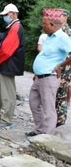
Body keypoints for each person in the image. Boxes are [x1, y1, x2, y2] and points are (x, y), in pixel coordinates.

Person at [27, 8, 71, 137]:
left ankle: (46, 136)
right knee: (33, 102)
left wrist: (60, 66)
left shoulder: (62, 37)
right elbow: (46, 56)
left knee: (49, 108)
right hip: (39, 77)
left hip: (49, 78)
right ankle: (40, 130)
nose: (42, 26)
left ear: (52, 25)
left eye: (44, 24)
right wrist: (37, 71)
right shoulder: (49, 37)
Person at [0, 4, 25, 129]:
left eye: (6, 15)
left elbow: (6, 50)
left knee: (8, 93)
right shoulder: (12, 27)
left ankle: (7, 119)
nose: (4, 17)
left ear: (13, 13)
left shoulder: (15, 27)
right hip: (5, 64)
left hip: (9, 64)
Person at [55, 9, 71, 126]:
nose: (57, 18)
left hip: (65, 68)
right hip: (60, 66)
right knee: (57, 93)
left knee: (61, 94)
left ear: (65, 18)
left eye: (60, 16)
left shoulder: (67, 32)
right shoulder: (59, 30)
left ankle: (60, 120)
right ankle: (56, 118)